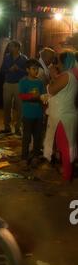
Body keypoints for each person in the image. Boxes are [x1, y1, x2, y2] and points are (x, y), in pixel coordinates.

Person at [43, 51, 78, 182]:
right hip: (68, 114)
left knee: (65, 147)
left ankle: (66, 176)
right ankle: (67, 172)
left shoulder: (66, 76)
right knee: (68, 145)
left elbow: (51, 90)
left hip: (62, 116)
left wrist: (52, 76)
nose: (57, 64)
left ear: (64, 62)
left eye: (58, 61)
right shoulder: (73, 75)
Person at [18, 59, 46, 167]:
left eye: (37, 69)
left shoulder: (40, 82)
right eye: (34, 69)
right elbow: (21, 96)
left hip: (38, 115)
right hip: (28, 115)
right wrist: (33, 96)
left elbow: (43, 96)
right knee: (26, 137)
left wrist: (43, 99)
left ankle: (35, 157)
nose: (36, 71)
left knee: (38, 137)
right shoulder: (23, 81)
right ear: (27, 70)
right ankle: (24, 158)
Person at [0, 40, 27, 135]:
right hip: (8, 83)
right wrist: (9, 69)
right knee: (7, 106)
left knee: (20, 107)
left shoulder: (24, 59)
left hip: (19, 84)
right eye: (9, 46)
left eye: (11, 46)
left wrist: (18, 69)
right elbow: (2, 69)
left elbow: (27, 73)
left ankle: (18, 128)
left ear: (17, 48)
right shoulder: (7, 57)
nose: (9, 48)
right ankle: (7, 127)